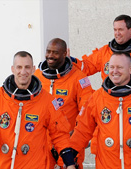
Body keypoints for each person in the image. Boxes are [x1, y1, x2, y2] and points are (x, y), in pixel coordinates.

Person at [0, 51, 76, 169]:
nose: (23, 72)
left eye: (27, 67)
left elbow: (60, 134)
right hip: (5, 165)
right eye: (19, 67)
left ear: (33, 69)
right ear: (13, 69)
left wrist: (69, 163)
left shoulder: (47, 101)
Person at [34, 38, 93, 169]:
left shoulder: (79, 78)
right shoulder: (38, 76)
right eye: (48, 51)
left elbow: (87, 111)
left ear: (65, 54)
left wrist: (76, 135)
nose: (50, 56)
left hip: (68, 141)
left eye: (55, 52)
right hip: (42, 144)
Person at [72, 14, 131, 91]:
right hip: (109, 100)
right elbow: (86, 67)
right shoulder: (105, 51)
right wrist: (69, 60)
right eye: (115, 30)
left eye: (120, 29)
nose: (117, 33)